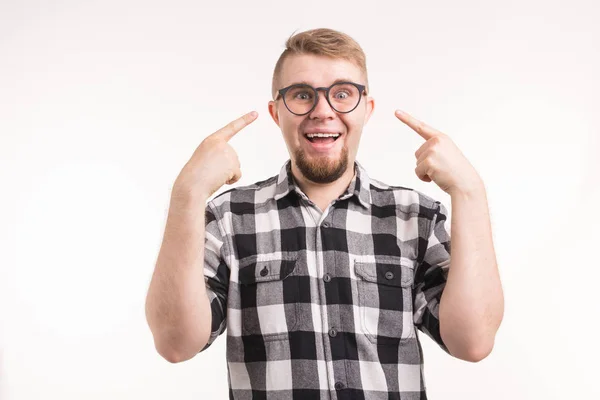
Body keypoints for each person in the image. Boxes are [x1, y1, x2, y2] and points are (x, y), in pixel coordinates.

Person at [145, 28, 504, 399]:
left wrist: (470, 192)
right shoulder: (228, 218)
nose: (322, 111)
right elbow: (175, 343)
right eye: (302, 95)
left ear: (367, 109)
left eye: (343, 94)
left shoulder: (417, 216)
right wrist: (186, 195)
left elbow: (473, 343)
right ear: (276, 111)